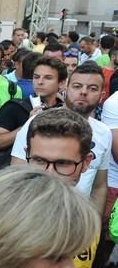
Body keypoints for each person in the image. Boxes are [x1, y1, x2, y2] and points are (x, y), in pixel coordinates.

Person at [22, 109, 108, 268]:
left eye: (62, 164)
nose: (49, 173)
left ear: (86, 162)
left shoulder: (90, 225)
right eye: (39, 161)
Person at [11, 62, 110, 214]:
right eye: (77, 86)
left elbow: (99, 186)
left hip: (78, 221)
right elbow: (16, 175)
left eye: (92, 88)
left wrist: (94, 225)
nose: (83, 92)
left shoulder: (104, 132)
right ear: (66, 88)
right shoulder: (37, 122)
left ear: (102, 95)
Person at [0, 56, 65, 154]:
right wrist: (28, 124)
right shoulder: (14, 107)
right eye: (36, 77)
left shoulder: (64, 110)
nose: (40, 82)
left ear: (61, 83)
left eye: (48, 78)